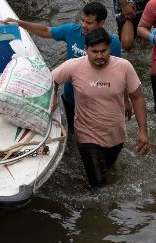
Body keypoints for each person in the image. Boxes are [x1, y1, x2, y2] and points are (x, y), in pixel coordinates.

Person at [3, 2, 123, 134]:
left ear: (101, 23)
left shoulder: (113, 44)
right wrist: (19, 23)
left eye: (89, 23)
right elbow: (45, 31)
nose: (83, 25)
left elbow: (116, 74)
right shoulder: (72, 31)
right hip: (71, 96)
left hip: (96, 101)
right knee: (73, 132)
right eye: (82, 20)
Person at [51, 29, 149, 187]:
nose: (99, 56)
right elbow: (51, 79)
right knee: (98, 184)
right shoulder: (73, 66)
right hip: (86, 134)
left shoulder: (124, 67)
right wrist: (54, 97)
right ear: (86, 49)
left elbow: (137, 97)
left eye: (103, 51)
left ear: (109, 48)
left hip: (116, 133)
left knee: (108, 168)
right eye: (94, 51)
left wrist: (142, 130)